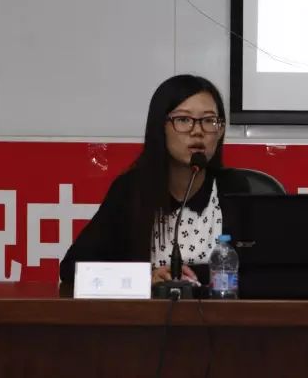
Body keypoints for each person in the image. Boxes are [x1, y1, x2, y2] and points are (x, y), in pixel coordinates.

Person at [59, 74, 250, 285]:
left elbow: (258, 272)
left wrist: (184, 276)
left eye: (208, 121)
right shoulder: (131, 189)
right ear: (160, 127)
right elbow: (72, 268)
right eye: (183, 120)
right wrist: (145, 278)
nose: (197, 131)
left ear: (220, 130)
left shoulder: (233, 188)